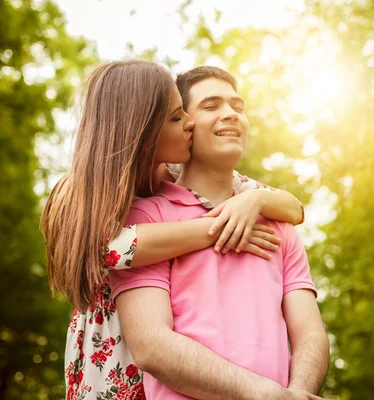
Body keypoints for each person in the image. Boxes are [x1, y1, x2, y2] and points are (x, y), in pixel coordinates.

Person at [40, 60, 306, 400]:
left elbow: (293, 208)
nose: (190, 123)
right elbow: (113, 249)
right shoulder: (79, 190)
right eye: (176, 117)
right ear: (142, 127)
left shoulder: (174, 175)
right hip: (111, 359)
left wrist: (254, 201)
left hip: (169, 365)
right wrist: (216, 227)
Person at [110, 66, 329, 400]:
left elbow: (310, 333)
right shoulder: (145, 218)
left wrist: (298, 392)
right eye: (211, 106)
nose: (231, 114)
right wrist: (269, 396)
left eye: (238, 107)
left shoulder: (277, 224)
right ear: (183, 124)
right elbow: (151, 346)